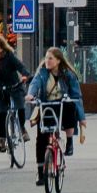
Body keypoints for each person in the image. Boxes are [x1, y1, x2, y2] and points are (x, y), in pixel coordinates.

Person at [27, 46, 85, 183]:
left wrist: (82, 118)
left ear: (58, 60)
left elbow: (77, 96)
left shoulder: (68, 75)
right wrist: (30, 94)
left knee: (70, 106)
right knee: (41, 138)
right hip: (46, 105)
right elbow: (34, 84)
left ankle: (69, 142)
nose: (47, 61)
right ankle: (41, 172)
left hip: (62, 105)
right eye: (46, 58)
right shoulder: (41, 73)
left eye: (50, 58)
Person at [0, 36, 30, 153]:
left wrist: (25, 75)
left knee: (19, 107)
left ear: (1, 48)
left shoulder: (9, 56)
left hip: (13, 85)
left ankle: (22, 129)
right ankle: (2, 141)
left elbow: (20, 66)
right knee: (1, 113)